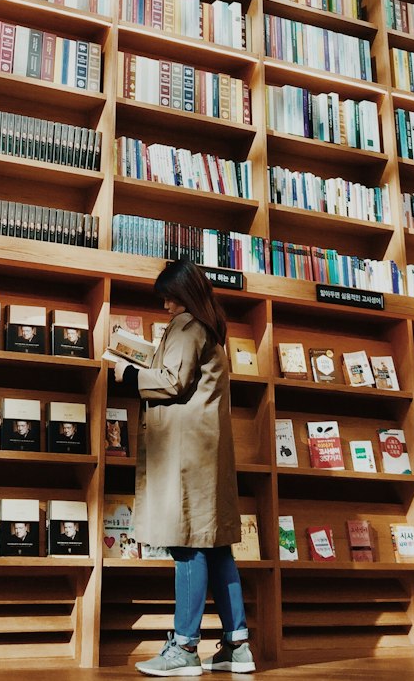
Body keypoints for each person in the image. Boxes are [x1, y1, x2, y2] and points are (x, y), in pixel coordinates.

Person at [111, 259, 254, 676]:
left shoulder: (187, 326)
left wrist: (127, 373)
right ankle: (237, 645)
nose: (165, 307)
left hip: (184, 455)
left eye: (169, 298)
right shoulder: (210, 329)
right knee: (216, 545)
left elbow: (172, 380)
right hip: (204, 452)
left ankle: (185, 648)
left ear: (183, 295)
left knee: (186, 542)